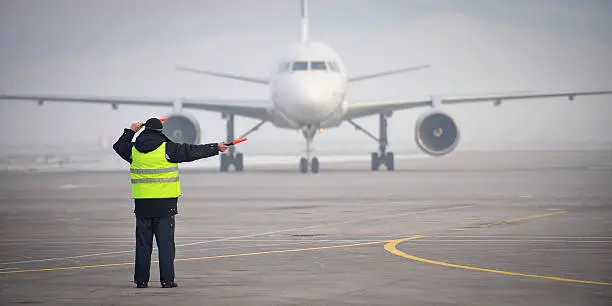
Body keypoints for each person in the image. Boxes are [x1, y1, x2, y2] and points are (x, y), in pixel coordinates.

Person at [112, 117, 229, 289]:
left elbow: (119, 147)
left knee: (143, 245)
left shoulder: (134, 150)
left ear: (145, 131)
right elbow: (193, 151)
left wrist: (131, 131)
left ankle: (141, 281)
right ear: (161, 132)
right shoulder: (168, 149)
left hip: (143, 206)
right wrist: (216, 147)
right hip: (165, 206)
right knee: (166, 245)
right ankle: (167, 280)